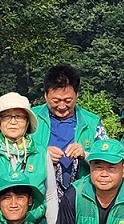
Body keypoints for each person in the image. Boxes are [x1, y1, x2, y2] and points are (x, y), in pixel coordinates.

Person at [0, 92, 56, 224]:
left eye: (19, 117)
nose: (13, 121)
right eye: (6, 116)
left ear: (27, 121)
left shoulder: (41, 152)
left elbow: (51, 196)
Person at [33, 64, 106, 195]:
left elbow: (108, 159)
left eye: (68, 100)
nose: (61, 106)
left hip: (81, 196)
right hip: (39, 196)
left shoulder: (92, 123)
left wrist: (85, 155)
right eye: (56, 100)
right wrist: (41, 155)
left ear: (77, 95)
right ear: (45, 95)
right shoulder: (30, 120)